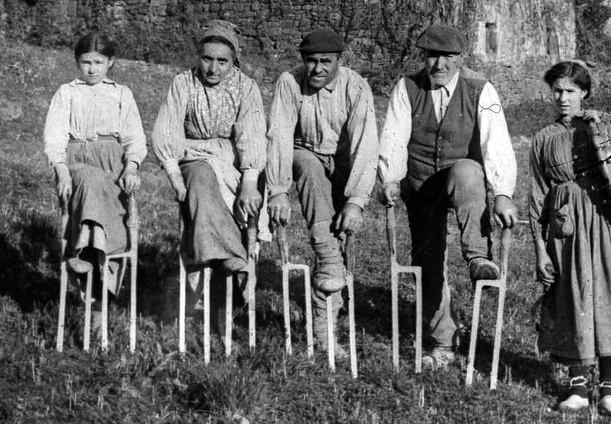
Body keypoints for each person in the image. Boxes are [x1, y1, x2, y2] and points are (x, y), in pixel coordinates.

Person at [377, 24, 518, 369]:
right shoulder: (407, 88)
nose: (439, 65)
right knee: (428, 261)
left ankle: (477, 258)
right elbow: (394, 137)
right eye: (431, 56)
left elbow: (495, 144)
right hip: (421, 182)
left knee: (468, 170)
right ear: (424, 57)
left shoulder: (480, 90)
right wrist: (390, 179)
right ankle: (443, 339)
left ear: (460, 59)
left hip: (462, 180)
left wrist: (502, 193)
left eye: (447, 57)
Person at [529, 60, 611, 418]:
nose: (562, 98)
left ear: (584, 93)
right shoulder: (543, 139)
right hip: (566, 230)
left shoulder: (600, 127)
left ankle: (609, 388)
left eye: (570, 91)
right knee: (572, 297)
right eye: (557, 91)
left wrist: (603, 128)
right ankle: (578, 385)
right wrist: (540, 250)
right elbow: (536, 196)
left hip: (607, 222)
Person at [267, 27, 378, 351]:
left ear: (339, 61)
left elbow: (365, 145)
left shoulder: (356, 87)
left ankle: (324, 332)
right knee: (311, 169)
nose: (317, 69)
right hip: (305, 157)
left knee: (339, 241)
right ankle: (328, 259)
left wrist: (356, 202)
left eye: (325, 62)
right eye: (311, 61)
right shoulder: (290, 83)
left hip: (344, 163)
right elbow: (280, 136)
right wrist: (277, 191)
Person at [152, 21, 266, 282]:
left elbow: (252, 134)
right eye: (207, 59)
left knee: (247, 197)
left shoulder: (245, 87)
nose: (214, 68)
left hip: (234, 159)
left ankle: (235, 282)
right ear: (198, 57)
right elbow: (166, 129)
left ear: (233, 61)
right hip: (193, 155)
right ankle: (229, 255)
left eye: (222, 61)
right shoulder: (183, 83)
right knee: (201, 177)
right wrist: (174, 175)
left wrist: (249, 181)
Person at [44, 31, 146, 307]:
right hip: (78, 160)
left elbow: (135, 138)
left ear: (110, 62)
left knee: (107, 196)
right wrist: (62, 170)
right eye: (86, 62)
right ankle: (90, 251)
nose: (91, 69)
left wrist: (131, 168)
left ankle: (99, 272)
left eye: (98, 63)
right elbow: (54, 138)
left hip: (113, 162)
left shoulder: (121, 94)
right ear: (77, 62)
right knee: (89, 180)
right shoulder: (67, 93)